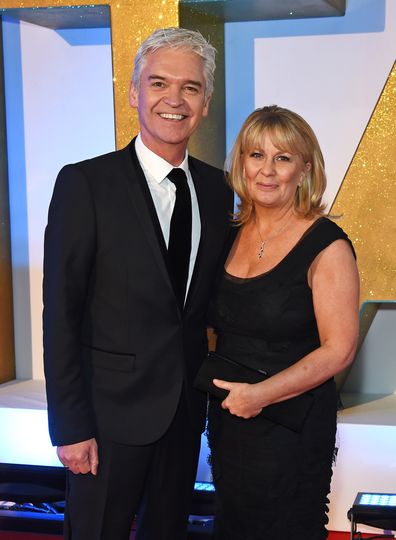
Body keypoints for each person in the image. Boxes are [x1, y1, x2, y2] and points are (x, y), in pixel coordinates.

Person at [43, 27, 232, 540]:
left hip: (184, 413)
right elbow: (61, 312)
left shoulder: (218, 190)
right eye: (158, 83)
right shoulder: (85, 184)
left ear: (206, 104)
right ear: (134, 93)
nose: (174, 99)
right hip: (105, 422)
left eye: (190, 88)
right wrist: (70, 426)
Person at [206, 105, 360, 540]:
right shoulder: (231, 232)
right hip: (231, 419)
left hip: (291, 424)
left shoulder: (327, 245)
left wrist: (261, 395)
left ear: (304, 168)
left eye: (283, 158)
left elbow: (339, 348)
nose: (267, 171)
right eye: (256, 155)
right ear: (241, 163)